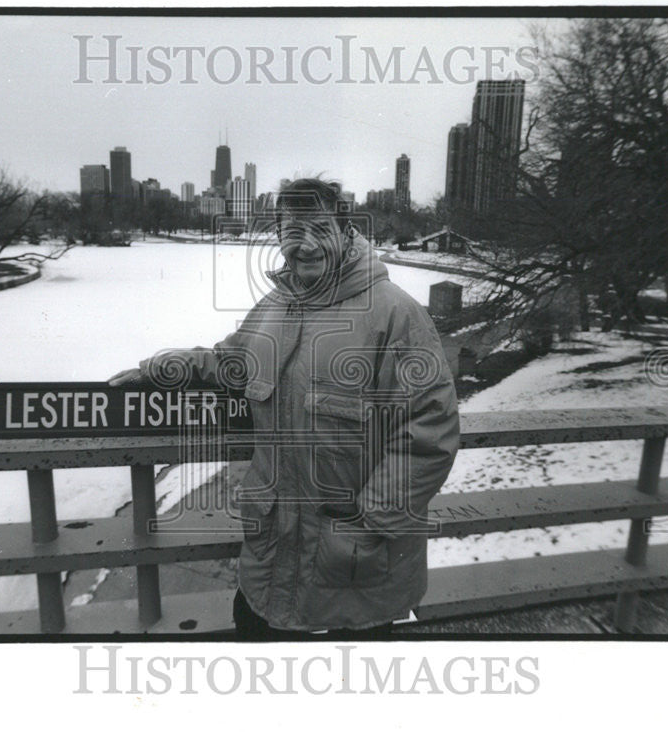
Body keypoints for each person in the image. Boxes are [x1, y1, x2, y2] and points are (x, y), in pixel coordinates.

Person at [109, 178, 459, 639]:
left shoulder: (396, 315)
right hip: (272, 558)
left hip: (354, 569)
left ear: (344, 229)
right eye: (294, 231)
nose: (307, 244)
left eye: (320, 228)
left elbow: (428, 433)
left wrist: (367, 525)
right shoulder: (273, 308)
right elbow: (231, 363)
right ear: (278, 236)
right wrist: (169, 368)